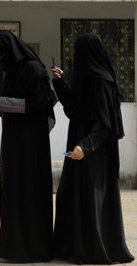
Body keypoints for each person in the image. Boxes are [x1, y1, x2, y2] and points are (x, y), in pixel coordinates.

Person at [51, 33, 134, 264]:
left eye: (78, 53)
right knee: (72, 194)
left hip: (95, 152)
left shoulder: (102, 81)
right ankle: (72, 247)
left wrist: (85, 146)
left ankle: (93, 249)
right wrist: (60, 82)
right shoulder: (85, 80)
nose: (76, 58)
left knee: (91, 198)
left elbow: (105, 123)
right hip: (78, 147)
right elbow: (72, 108)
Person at [0, 30, 55, 263]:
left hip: (31, 147)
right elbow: (16, 107)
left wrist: (3, 103)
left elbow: (38, 103)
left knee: (29, 191)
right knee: (14, 191)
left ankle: (33, 248)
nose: (1, 60)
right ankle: (14, 246)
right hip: (15, 143)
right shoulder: (14, 70)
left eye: (3, 55)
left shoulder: (34, 69)